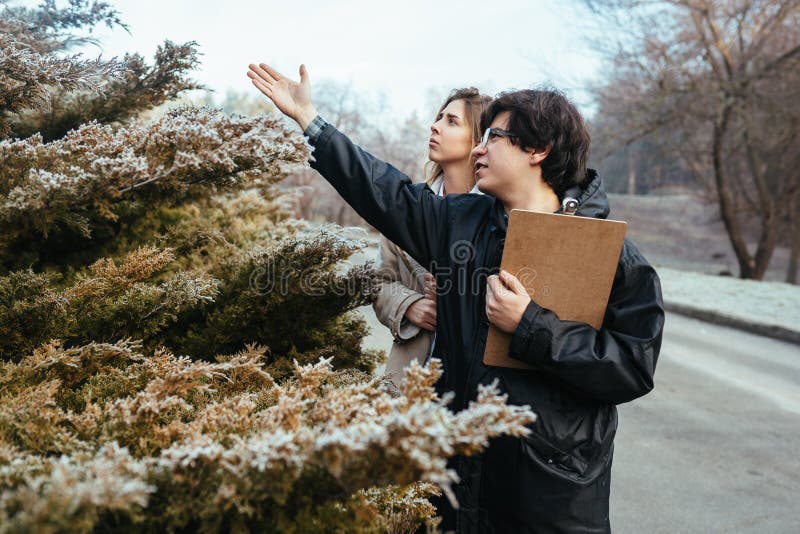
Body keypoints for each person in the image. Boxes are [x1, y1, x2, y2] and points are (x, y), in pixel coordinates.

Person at [247, 63, 664, 533]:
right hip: (455, 482)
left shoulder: (612, 255)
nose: (479, 149)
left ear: (538, 149)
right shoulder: (459, 221)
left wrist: (530, 324)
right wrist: (310, 122)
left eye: (495, 138)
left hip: (550, 494)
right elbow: (385, 191)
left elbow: (631, 369)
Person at [373, 87, 490, 391]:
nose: (434, 125)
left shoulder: (497, 215)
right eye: (439, 117)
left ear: (478, 141)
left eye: (451, 121)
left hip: (471, 391)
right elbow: (377, 281)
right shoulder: (409, 208)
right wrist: (409, 305)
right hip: (406, 382)